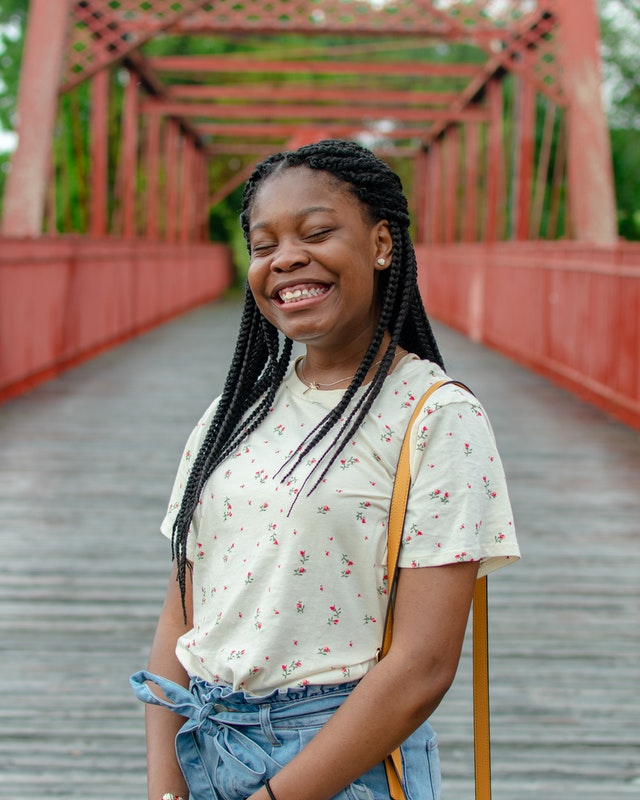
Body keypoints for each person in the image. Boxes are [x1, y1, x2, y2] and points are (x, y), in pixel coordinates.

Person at [130, 138, 520, 800]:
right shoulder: (232, 414)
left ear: (381, 244)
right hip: (206, 746)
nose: (285, 259)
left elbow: (423, 666)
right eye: (262, 245)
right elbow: (182, 615)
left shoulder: (435, 416)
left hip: (342, 762)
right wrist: (166, 789)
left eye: (316, 233)